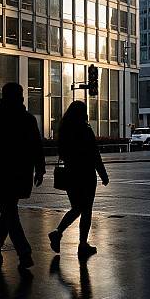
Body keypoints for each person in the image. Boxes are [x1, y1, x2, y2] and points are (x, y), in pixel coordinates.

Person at [0, 83, 45, 269]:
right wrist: (40, 169)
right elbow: (37, 147)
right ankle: (22, 252)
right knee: (10, 211)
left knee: (8, 211)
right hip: (21, 172)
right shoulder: (28, 120)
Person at [48, 101, 109, 258]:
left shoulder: (64, 130)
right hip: (86, 174)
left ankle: (59, 232)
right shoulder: (85, 129)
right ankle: (82, 244)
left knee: (76, 207)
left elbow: (62, 152)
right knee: (86, 209)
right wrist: (103, 173)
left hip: (70, 173)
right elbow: (94, 154)